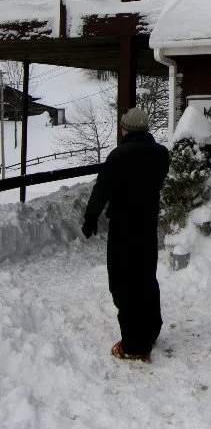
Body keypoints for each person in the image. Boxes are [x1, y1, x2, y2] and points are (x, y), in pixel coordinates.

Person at [82, 106, 169, 362]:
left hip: (123, 227)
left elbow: (102, 190)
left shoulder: (119, 156)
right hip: (147, 225)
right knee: (145, 277)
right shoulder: (161, 154)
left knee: (123, 284)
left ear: (126, 128)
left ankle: (135, 344)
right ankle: (151, 329)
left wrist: (91, 217)